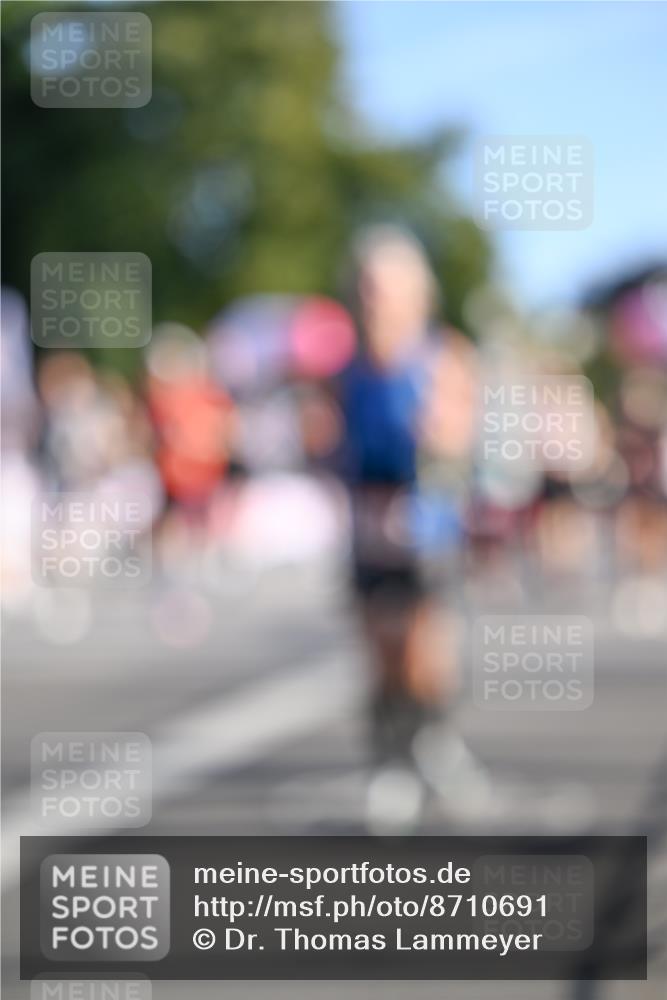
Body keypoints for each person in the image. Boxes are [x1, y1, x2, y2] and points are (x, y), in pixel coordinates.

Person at [336, 226, 480, 827]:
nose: (377, 298)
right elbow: (338, 445)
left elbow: (460, 440)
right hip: (368, 525)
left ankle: (434, 743)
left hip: (427, 527)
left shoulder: (442, 355)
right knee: (379, 650)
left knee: (422, 650)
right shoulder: (348, 368)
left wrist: (441, 433)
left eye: (388, 287)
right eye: (369, 286)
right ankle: (389, 762)